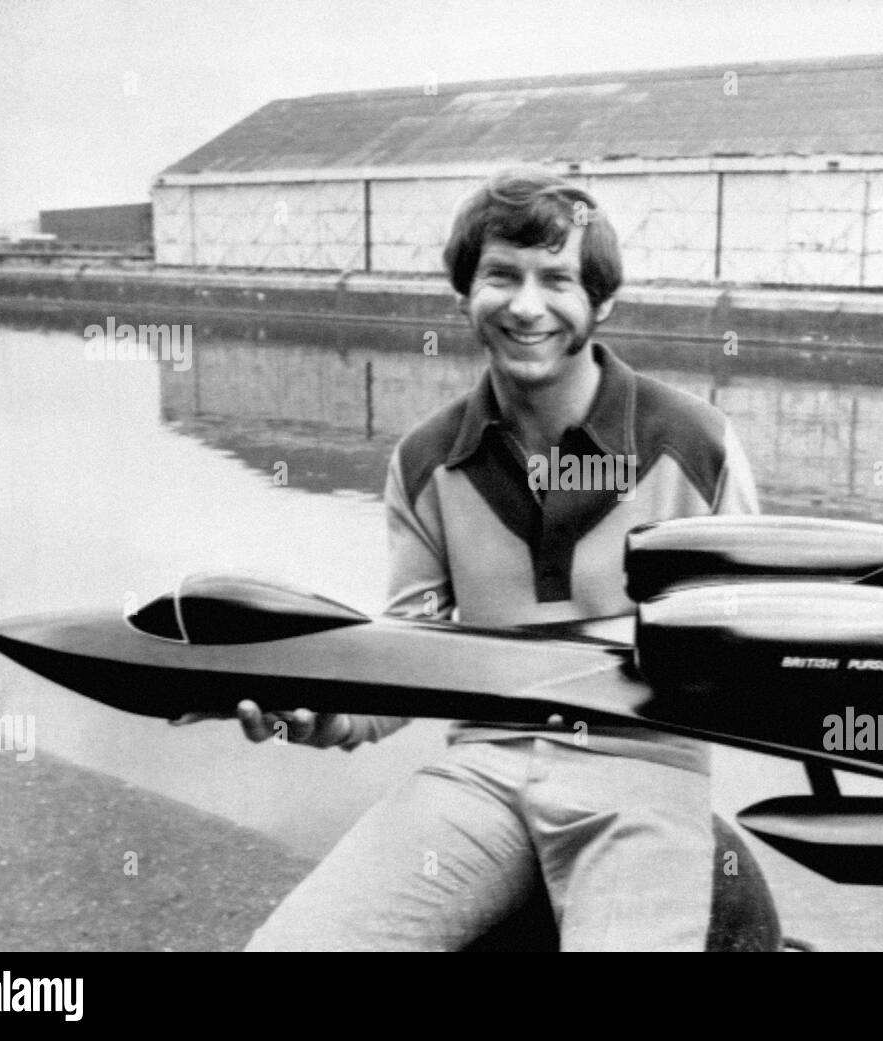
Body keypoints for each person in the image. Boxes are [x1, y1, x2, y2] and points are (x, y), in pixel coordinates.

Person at [238, 167, 759, 951]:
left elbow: (762, 645)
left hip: (644, 776)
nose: (525, 305)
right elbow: (408, 661)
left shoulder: (697, 443)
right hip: (479, 775)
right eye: (500, 276)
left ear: (601, 301)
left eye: (556, 279)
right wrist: (329, 716)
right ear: (465, 293)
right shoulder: (424, 460)